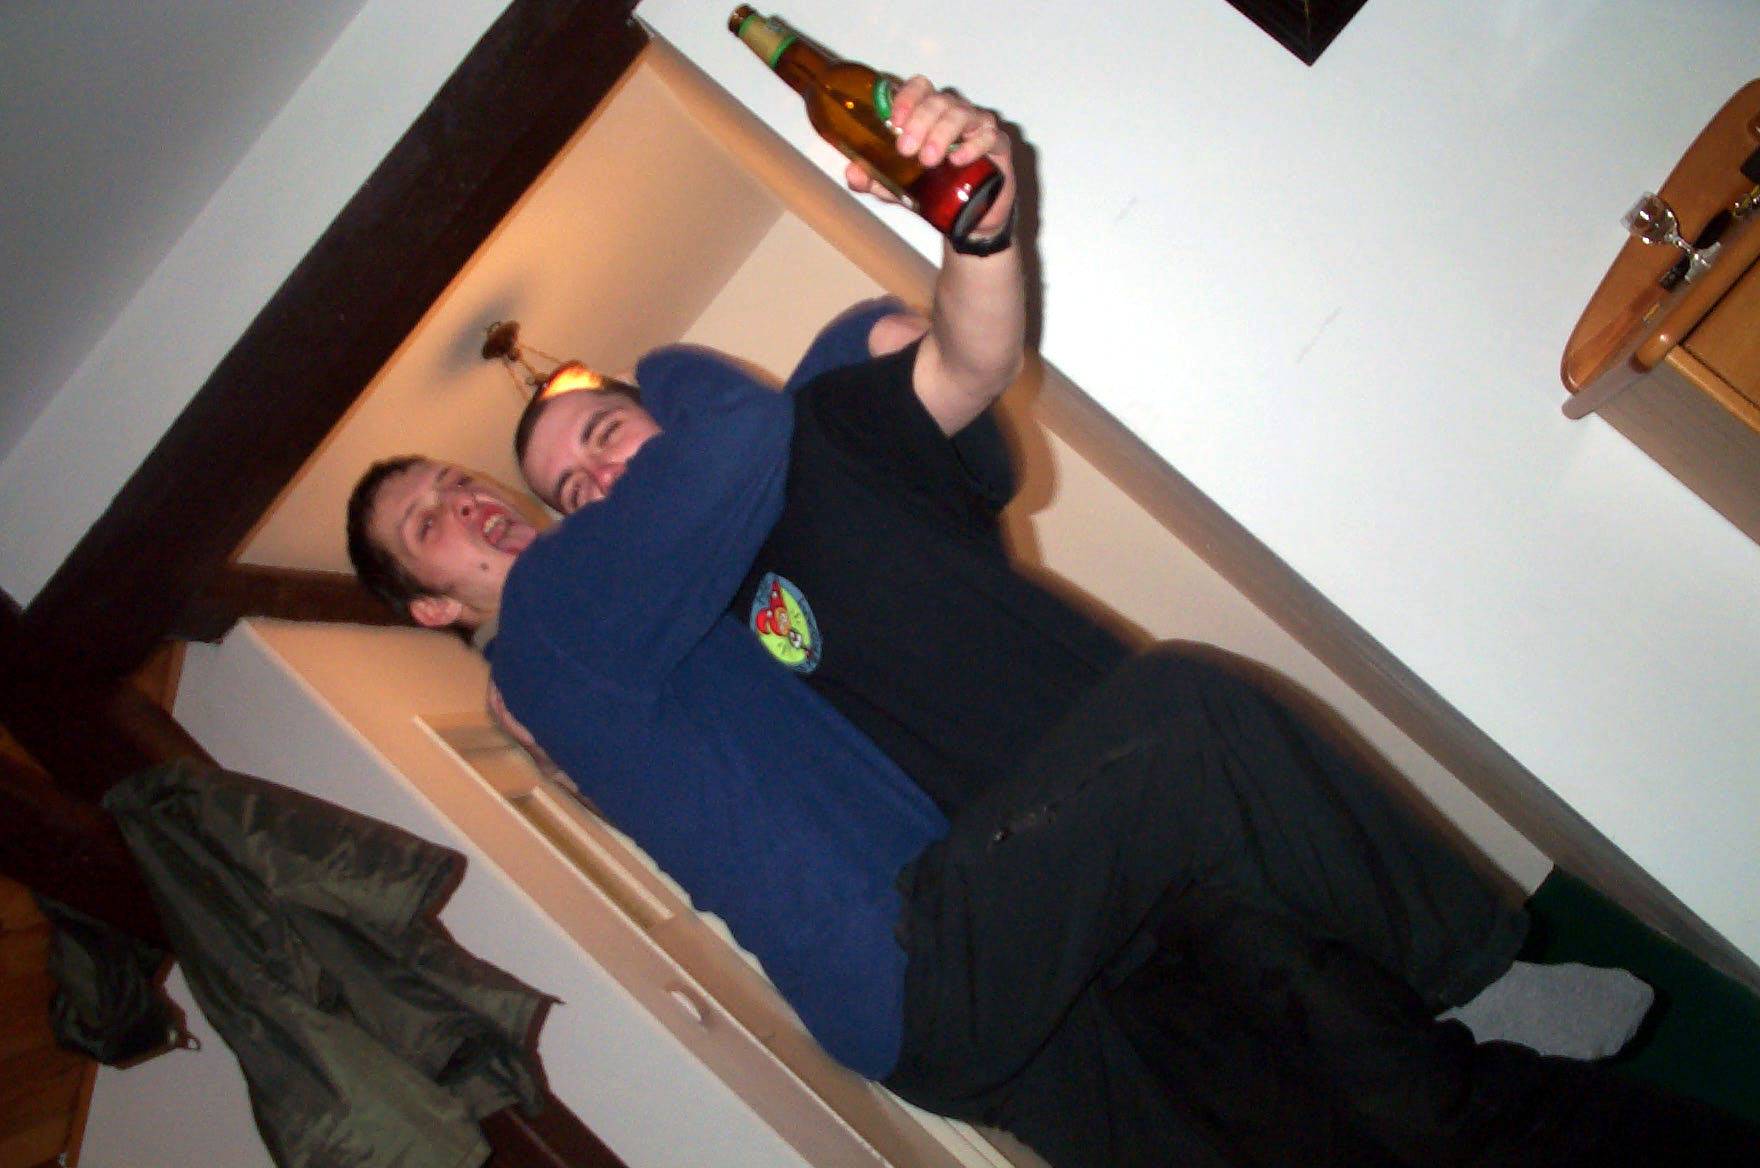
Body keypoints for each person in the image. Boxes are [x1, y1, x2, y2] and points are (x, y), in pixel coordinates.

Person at [349, 79, 1757, 1165]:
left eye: (600, 433)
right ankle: (1475, 999)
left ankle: (1488, 999)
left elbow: (966, 351)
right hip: (1026, 947)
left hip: (1161, 846)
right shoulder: (627, 626)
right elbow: (628, 732)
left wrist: (979, 226)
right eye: (570, 491)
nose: (594, 483)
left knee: (1416, 1098)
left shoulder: (819, 426)